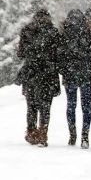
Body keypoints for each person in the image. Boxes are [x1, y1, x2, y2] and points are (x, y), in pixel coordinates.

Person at [16, 8, 61, 147]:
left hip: (32, 73)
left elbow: (21, 53)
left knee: (31, 106)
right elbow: (58, 54)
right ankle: (43, 133)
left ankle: (31, 132)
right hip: (48, 74)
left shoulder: (27, 30)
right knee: (45, 106)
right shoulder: (53, 32)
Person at [58, 9, 91, 149]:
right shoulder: (87, 31)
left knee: (71, 105)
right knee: (86, 106)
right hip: (85, 73)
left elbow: (60, 54)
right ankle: (85, 135)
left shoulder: (65, 32)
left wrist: (63, 70)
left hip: (70, 74)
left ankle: (72, 134)